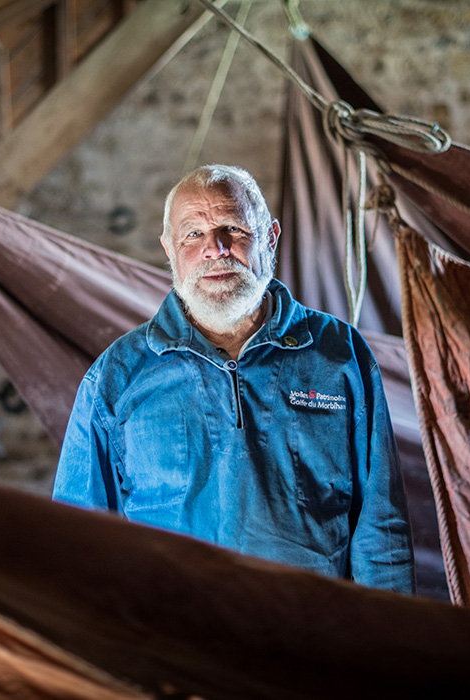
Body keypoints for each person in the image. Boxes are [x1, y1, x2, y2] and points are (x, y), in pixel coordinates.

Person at [53, 165, 414, 592]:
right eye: (193, 235)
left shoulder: (339, 354)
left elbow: (381, 529)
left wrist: (392, 648)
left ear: (271, 237)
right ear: (169, 249)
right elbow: (79, 541)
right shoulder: (117, 376)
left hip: (311, 638)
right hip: (178, 644)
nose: (216, 249)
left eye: (233, 228)